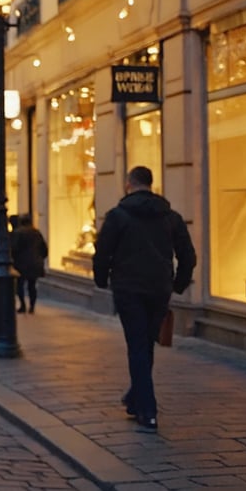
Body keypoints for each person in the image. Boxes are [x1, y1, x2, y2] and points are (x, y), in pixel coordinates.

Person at [93, 166, 196, 434]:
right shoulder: (170, 217)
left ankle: (147, 411)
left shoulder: (118, 217)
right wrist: (178, 284)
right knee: (145, 343)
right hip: (159, 288)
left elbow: (102, 251)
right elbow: (188, 255)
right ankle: (135, 397)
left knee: (138, 345)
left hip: (129, 288)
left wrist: (101, 279)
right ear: (151, 184)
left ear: (129, 184)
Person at [10, 213, 48, 314]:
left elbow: (14, 248)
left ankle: (23, 305)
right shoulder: (37, 233)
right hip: (35, 262)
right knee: (32, 285)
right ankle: (32, 306)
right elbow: (44, 248)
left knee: (20, 285)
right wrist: (40, 258)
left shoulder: (18, 233)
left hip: (21, 263)